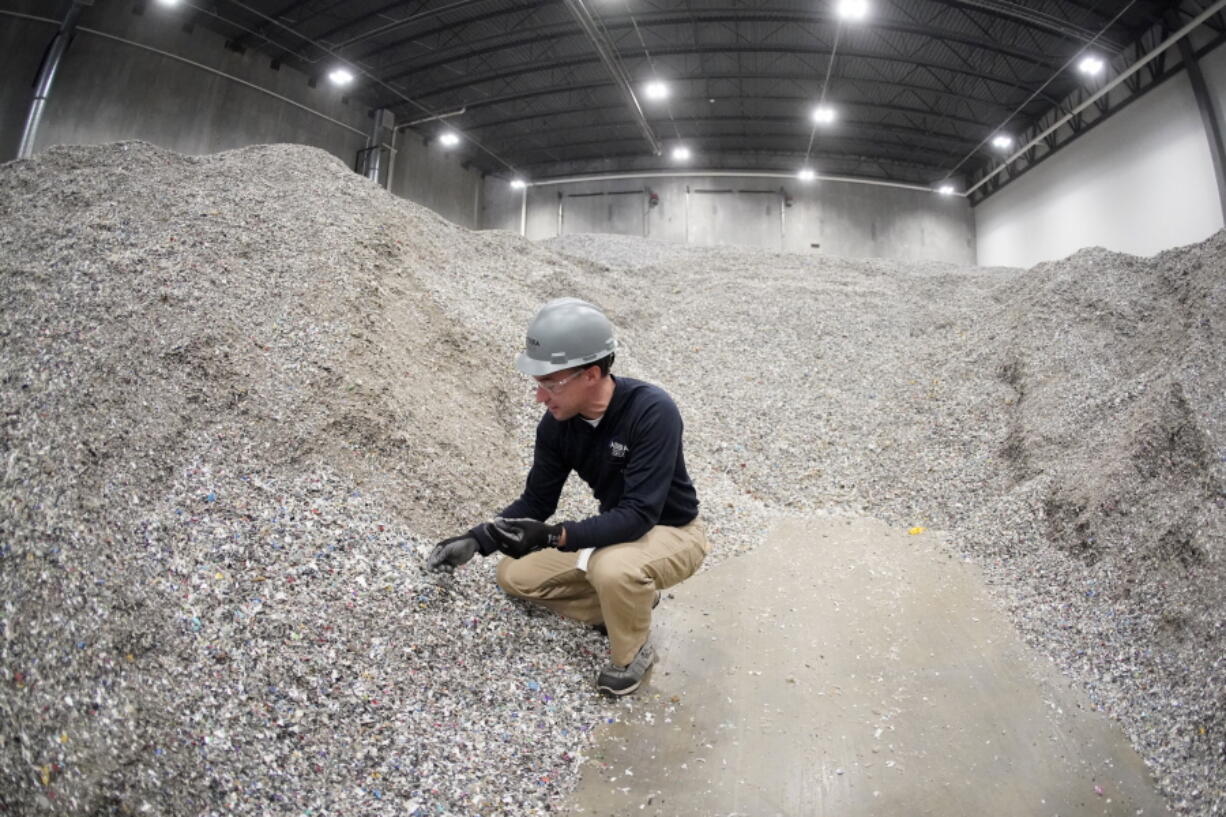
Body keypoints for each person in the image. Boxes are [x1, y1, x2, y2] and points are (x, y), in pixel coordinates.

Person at [427, 298, 709, 696]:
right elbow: (537, 501)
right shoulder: (557, 426)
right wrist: (478, 539)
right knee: (514, 576)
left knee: (612, 569)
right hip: (622, 532)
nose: (540, 397)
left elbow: (640, 514)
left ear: (591, 374)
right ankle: (631, 603)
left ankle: (632, 651)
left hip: (673, 532)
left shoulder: (652, 411)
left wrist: (552, 536)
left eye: (550, 383)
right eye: (538, 384)